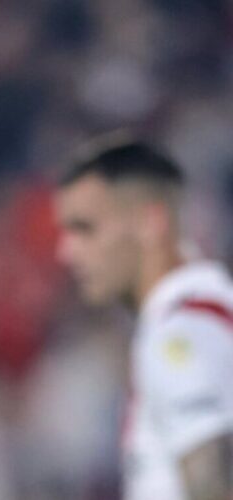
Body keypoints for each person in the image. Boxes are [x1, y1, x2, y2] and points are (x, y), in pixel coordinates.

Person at [54, 135, 233, 500]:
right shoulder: (200, 314)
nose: (66, 252)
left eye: (85, 228)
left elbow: (215, 487)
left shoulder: (181, 334)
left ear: (152, 221)